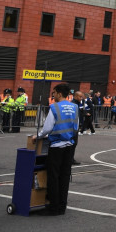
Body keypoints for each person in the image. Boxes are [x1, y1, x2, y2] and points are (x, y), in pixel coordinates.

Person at [32, 83, 79, 215]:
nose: (53, 95)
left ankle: (53, 207)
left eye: (54, 93)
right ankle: (62, 207)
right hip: (69, 145)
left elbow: (47, 128)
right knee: (64, 177)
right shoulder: (75, 107)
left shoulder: (54, 107)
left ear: (59, 93)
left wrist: (38, 136)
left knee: (53, 176)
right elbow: (76, 126)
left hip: (57, 146)